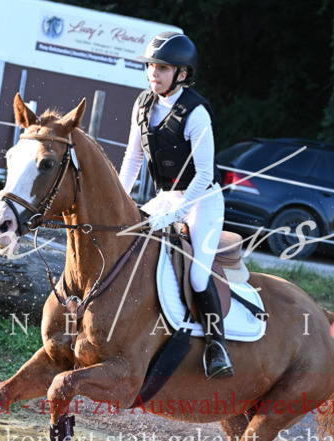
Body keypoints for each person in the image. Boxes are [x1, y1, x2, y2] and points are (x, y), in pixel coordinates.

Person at [118, 31, 233, 379]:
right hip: (165, 197)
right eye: (151, 66)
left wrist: (177, 213)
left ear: (182, 74)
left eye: (163, 68)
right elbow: (133, 158)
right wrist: (120, 201)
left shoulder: (195, 112)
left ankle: (217, 347)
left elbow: (204, 174)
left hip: (202, 200)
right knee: (129, 248)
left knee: (198, 275)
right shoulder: (143, 104)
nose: (154, 73)